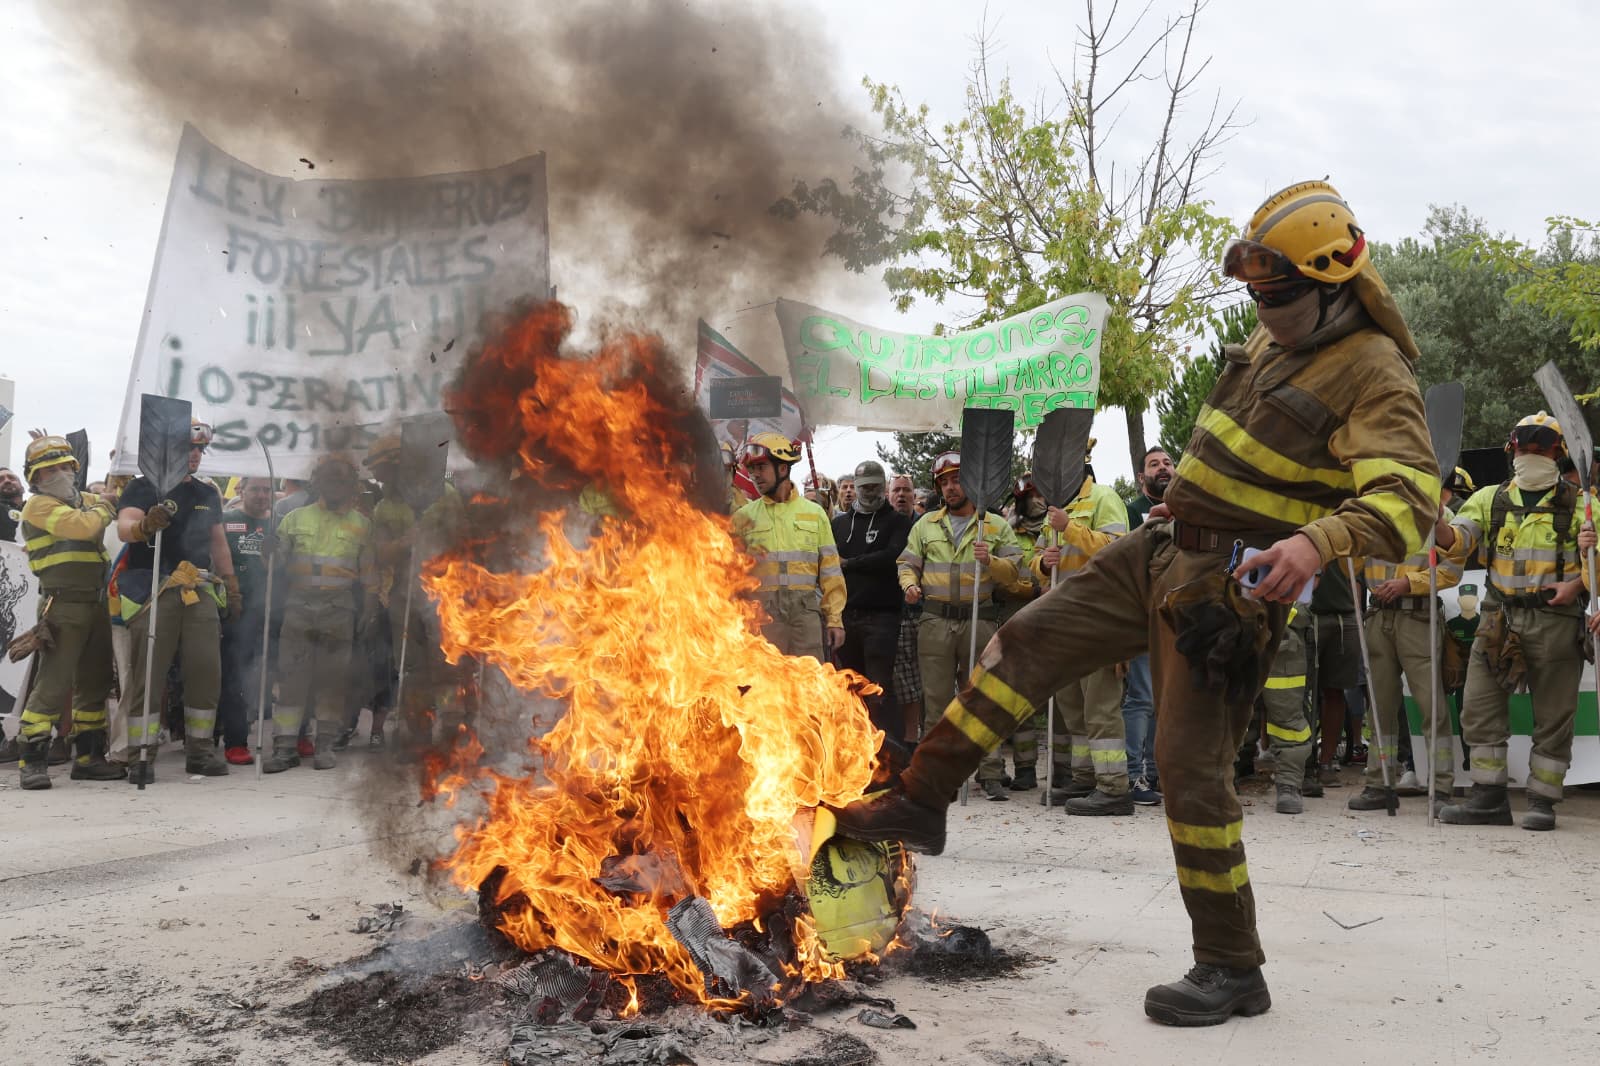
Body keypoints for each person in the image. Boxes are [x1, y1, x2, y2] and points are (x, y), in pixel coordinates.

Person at [832, 180, 1439, 1025]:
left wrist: (1315, 544)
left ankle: (1231, 966)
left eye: (1281, 293)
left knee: (1190, 771)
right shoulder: (1276, 337)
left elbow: (1412, 502)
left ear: (1334, 282)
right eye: (1255, 292)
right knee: (1021, 645)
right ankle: (925, 797)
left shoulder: (1375, 370)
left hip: (1225, 591)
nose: (1263, 309)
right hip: (1156, 552)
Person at [1436, 412, 1591, 831]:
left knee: (1554, 715)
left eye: (1541, 448)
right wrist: (1435, 521)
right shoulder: (1489, 499)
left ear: (1558, 454)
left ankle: (1542, 802)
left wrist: (1578, 584)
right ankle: (1488, 800)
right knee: (1479, 708)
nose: (1532, 454)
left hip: (1556, 620)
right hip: (1497, 618)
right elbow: (1457, 541)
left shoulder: (1582, 506)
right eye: (1525, 447)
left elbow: (1596, 567)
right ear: (1512, 450)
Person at [897, 450, 1030, 802]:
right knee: (937, 704)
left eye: (956, 479)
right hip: (935, 621)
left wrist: (993, 562)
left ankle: (991, 773)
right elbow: (906, 563)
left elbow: (1019, 574)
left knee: (982, 701)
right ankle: (939, 775)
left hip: (980, 622)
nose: (951, 487)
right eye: (944, 482)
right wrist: (909, 584)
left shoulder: (996, 525)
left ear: (971, 481)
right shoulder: (925, 524)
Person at [115, 420, 238, 784]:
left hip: (198, 588)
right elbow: (125, 526)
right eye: (189, 448)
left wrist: (232, 584)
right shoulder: (142, 487)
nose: (196, 455)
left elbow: (218, 542)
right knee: (148, 674)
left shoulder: (207, 494)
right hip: (154, 589)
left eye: (200, 449)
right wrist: (145, 527)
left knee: (205, 670)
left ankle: (199, 751)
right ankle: (142, 754)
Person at [11, 434, 124, 788]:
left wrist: (118, 479)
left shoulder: (85, 500)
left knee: (95, 683)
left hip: (97, 601)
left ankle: (90, 757)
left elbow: (109, 500)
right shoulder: (38, 506)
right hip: (63, 604)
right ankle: (32, 760)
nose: (59, 474)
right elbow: (83, 525)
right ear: (35, 478)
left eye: (64, 467)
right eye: (49, 470)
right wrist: (105, 505)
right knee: (52, 683)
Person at [1347, 488, 1465, 816]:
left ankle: (1441, 788)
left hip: (1418, 615)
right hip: (1378, 618)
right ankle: (1378, 783)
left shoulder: (1436, 515)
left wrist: (1408, 583)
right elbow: (1350, 564)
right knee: (1380, 708)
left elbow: (1452, 570)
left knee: (1432, 707)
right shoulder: (1369, 514)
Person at [263, 456, 376, 772]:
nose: (335, 486)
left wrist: (369, 610)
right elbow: (274, 565)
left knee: (331, 681)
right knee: (291, 680)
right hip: (298, 608)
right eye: (329, 479)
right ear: (317, 482)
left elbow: (369, 574)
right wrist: (268, 550)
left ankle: (324, 746)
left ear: (352, 487)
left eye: (342, 481)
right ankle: (284, 749)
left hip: (338, 611)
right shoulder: (295, 519)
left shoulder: (362, 525)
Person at [1032, 455, 1131, 814]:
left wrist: (1070, 527)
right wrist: (1044, 563)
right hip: (1064, 619)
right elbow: (1037, 560)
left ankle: (1115, 788)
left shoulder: (1105, 498)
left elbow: (1119, 550)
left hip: (1099, 618)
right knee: (1072, 706)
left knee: (1100, 706)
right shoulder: (1055, 511)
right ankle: (1085, 778)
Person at [366, 433, 466, 751]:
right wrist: (405, 543)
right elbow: (381, 553)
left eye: (381, 470)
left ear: (399, 466)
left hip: (444, 593)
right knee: (411, 668)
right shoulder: (384, 507)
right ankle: (418, 735)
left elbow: (465, 542)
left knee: (448, 665)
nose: (377, 477)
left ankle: (454, 733)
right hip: (403, 595)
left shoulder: (445, 495)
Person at [730, 435, 845, 660]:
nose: (755, 475)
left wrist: (835, 620)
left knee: (810, 684)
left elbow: (831, 572)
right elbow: (732, 576)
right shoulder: (743, 517)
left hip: (806, 617)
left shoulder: (815, 514)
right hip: (762, 619)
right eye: (752, 469)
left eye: (761, 467)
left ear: (783, 468)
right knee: (766, 686)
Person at [831, 461, 914, 740]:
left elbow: (891, 557)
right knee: (850, 689)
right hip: (847, 616)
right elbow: (829, 563)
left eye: (876, 487)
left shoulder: (898, 521)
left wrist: (849, 563)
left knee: (880, 689)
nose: (870, 492)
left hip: (883, 618)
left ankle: (889, 753)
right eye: (864, 487)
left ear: (884, 487)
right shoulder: (839, 524)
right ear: (854, 487)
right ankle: (855, 751)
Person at [1123, 446, 1175, 805]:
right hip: (1143, 619)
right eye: (1154, 464)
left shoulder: (1187, 512)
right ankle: (1133, 775)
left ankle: (1158, 774)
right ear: (1142, 478)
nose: (1162, 468)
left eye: (1168, 463)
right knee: (1140, 698)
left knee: (1165, 700)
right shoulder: (1130, 513)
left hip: (1176, 620)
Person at [217, 477, 275, 765]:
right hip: (236, 613)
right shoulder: (227, 521)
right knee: (235, 675)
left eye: (267, 490)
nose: (262, 495)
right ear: (241, 491)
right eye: (255, 489)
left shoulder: (278, 524)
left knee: (271, 674)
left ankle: (287, 739)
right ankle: (235, 741)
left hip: (272, 611)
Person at [1, 465, 24, 542]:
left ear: (23, 488)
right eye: (0, 480)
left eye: (11, 478)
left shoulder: (36, 510)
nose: (7, 481)